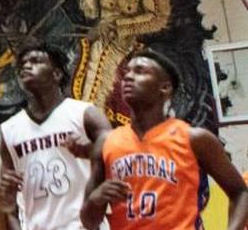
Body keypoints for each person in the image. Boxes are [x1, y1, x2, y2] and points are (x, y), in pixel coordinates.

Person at [80, 50, 248, 230]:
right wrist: (96, 199)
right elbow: (89, 222)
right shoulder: (106, 142)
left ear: (165, 88)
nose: (128, 77)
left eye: (140, 71)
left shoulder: (195, 138)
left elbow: (240, 192)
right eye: (127, 71)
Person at [0, 45, 111, 230]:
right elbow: (9, 204)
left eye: (36, 61)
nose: (26, 66)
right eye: (23, 64)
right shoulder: (9, 130)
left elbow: (116, 158)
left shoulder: (85, 114)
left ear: (56, 74)